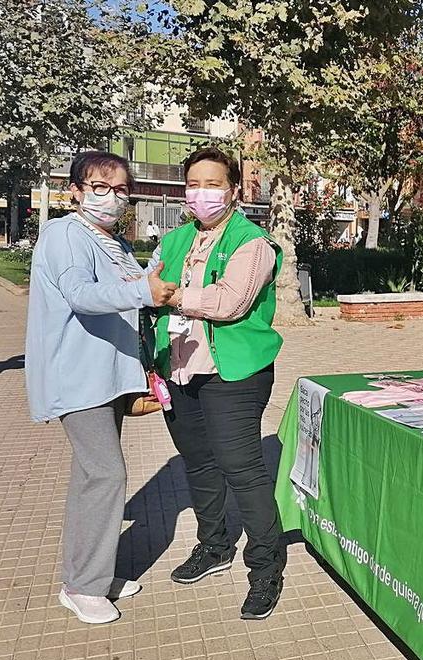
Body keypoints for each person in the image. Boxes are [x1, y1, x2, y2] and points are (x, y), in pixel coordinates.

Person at [25, 150, 177, 624]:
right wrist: (141, 291)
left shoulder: (115, 243)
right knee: (107, 476)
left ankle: (93, 571)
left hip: (108, 378)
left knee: (90, 479)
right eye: (100, 187)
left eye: (120, 189)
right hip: (79, 378)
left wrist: (155, 284)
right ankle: (81, 587)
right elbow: (81, 295)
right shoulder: (64, 234)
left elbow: (129, 300)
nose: (112, 198)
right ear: (76, 191)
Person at [149, 146, 287, 620]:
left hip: (234, 373)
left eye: (212, 183)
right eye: (193, 183)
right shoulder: (173, 240)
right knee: (199, 463)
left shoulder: (253, 243)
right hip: (181, 367)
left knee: (241, 469)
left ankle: (266, 569)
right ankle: (214, 545)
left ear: (233, 190)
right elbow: (147, 290)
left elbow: (229, 303)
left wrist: (171, 295)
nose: (201, 192)